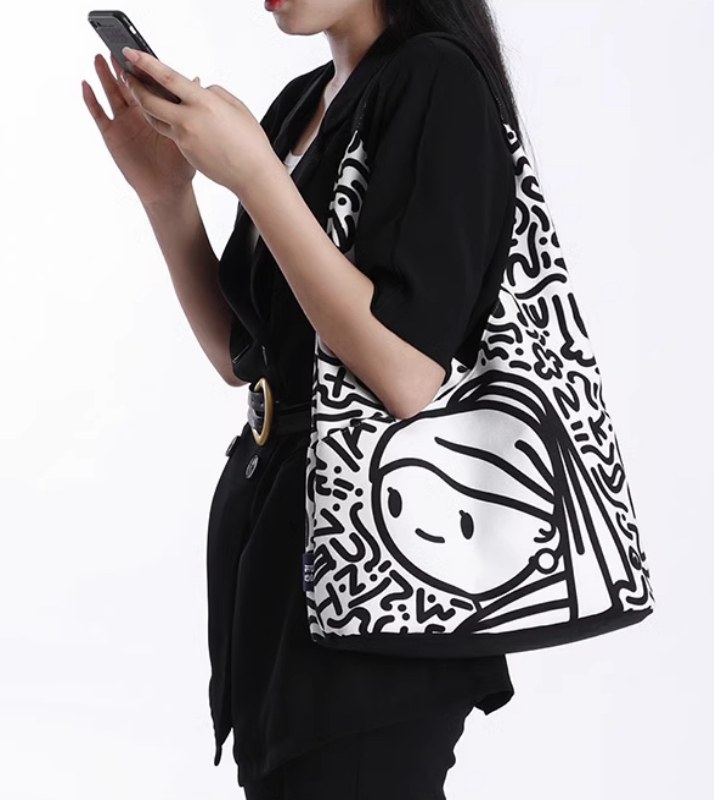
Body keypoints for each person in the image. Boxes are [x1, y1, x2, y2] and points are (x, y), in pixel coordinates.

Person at [82, 1, 528, 797]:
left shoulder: (438, 81)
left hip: (377, 590)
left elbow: (406, 374)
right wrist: (167, 194)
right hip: (281, 562)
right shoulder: (302, 103)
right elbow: (245, 355)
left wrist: (255, 175)